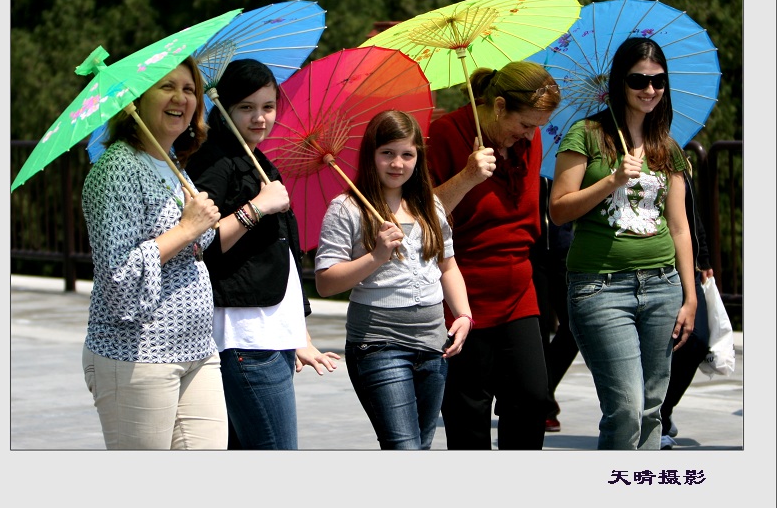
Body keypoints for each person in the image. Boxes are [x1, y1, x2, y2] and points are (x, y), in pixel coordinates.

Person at [549, 36, 698, 450]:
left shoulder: (666, 145)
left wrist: (689, 296)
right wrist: (613, 180)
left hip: (662, 286)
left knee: (653, 408)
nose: (649, 90)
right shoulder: (587, 134)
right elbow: (559, 210)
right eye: (639, 80)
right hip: (600, 286)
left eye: (658, 81)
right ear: (620, 81)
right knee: (627, 407)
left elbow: (679, 225)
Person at [186, 58, 340, 450]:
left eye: (268, 107)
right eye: (247, 108)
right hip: (246, 337)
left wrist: (297, 333)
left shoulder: (258, 160)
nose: (260, 118)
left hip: (269, 333)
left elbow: (281, 257)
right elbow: (203, 241)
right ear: (223, 108)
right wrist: (258, 206)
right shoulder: (215, 161)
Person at [81, 56, 228, 450]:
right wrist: (187, 228)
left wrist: (200, 225)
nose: (181, 97)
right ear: (136, 99)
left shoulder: (172, 165)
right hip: (137, 355)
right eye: (167, 86)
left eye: (190, 89)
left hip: (197, 348)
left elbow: (193, 247)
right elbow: (118, 276)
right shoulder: (116, 170)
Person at [314, 109, 474, 450]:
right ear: (371, 154)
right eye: (387, 153)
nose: (397, 163)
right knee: (404, 447)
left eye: (407, 154)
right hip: (378, 343)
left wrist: (463, 315)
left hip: (433, 344)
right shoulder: (347, 208)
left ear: (418, 157)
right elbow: (326, 283)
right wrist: (376, 256)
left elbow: (448, 266)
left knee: (422, 445)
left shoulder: (429, 204)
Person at [426, 61, 558, 450]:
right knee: (469, 410)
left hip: (518, 285)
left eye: (538, 126)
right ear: (499, 106)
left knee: (533, 399)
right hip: (463, 289)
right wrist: (466, 176)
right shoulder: (447, 132)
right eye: (526, 124)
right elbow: (422, 215)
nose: (532, 135)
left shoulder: (527, 140)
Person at [660, 169, 713, 449]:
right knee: (656, 348)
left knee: (697, 339)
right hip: (652, 264)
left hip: (686, 265)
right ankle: (651, 421)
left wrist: (703, 257)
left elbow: (690, 215)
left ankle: (662, 409)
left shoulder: (674, 155)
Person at [531, 176, 578, 433]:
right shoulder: (522, 145)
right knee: (536, 330)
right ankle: (544, 403)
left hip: (564, 248)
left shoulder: (569, 149)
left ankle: (539, 391)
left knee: (576, 325)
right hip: (530, 249)